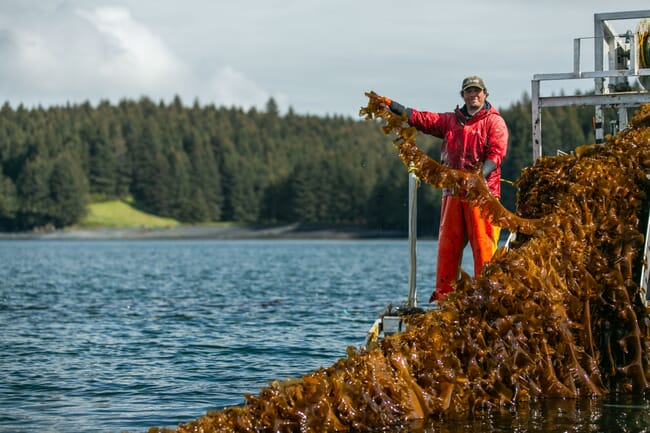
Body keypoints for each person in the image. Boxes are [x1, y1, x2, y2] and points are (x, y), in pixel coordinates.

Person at [378, 76, 508, 302]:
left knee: (484, 249)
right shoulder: (450, 121)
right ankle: (443, 300)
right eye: (469, 91)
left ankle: (487, 299)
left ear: (485, 94)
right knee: (448, 249)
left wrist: (478, 176)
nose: (473, 95)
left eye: (477, 91)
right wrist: (393, 106)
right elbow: (422, 119)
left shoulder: (494, 122)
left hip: (483, 195)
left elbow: (497, 154)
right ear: (463, 95)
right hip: (453, 195)